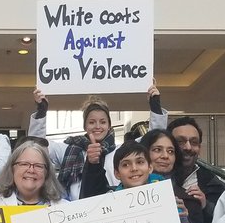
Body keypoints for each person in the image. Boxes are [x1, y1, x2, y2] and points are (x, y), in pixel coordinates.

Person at [29, 84, 167, 201]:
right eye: (91, 122)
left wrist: (155, 106)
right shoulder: (68, 149)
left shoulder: (121, 151)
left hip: (114, 211)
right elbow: (36, 146)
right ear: (84, 126)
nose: (97, 126)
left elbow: (153, 139)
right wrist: (41, 111)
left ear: (109, 125)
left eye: (103, 122)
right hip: (73, 214)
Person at [170, 117, 225, 223]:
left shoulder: (216, 186)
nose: (188, 147)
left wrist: (205, 205)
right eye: (180, 142)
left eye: (194, 142)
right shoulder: (152, 180)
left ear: (200, 148)